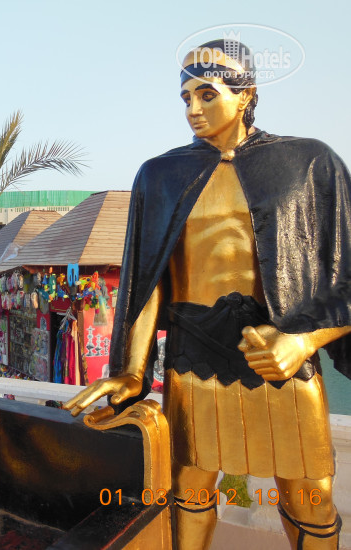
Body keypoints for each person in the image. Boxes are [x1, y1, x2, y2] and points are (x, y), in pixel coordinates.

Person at [65, 39, 351, 550]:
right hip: (193, 360)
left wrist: (303, 340)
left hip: (280, 361)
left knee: (310, 500)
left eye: (207, 94)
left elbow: (346, 276)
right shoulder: (160, 175)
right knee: (189, 494)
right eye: (186, 98)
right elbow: (149, 281)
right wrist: (131, 370)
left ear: (246, 95)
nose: (193, 109)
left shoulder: (309, 163)